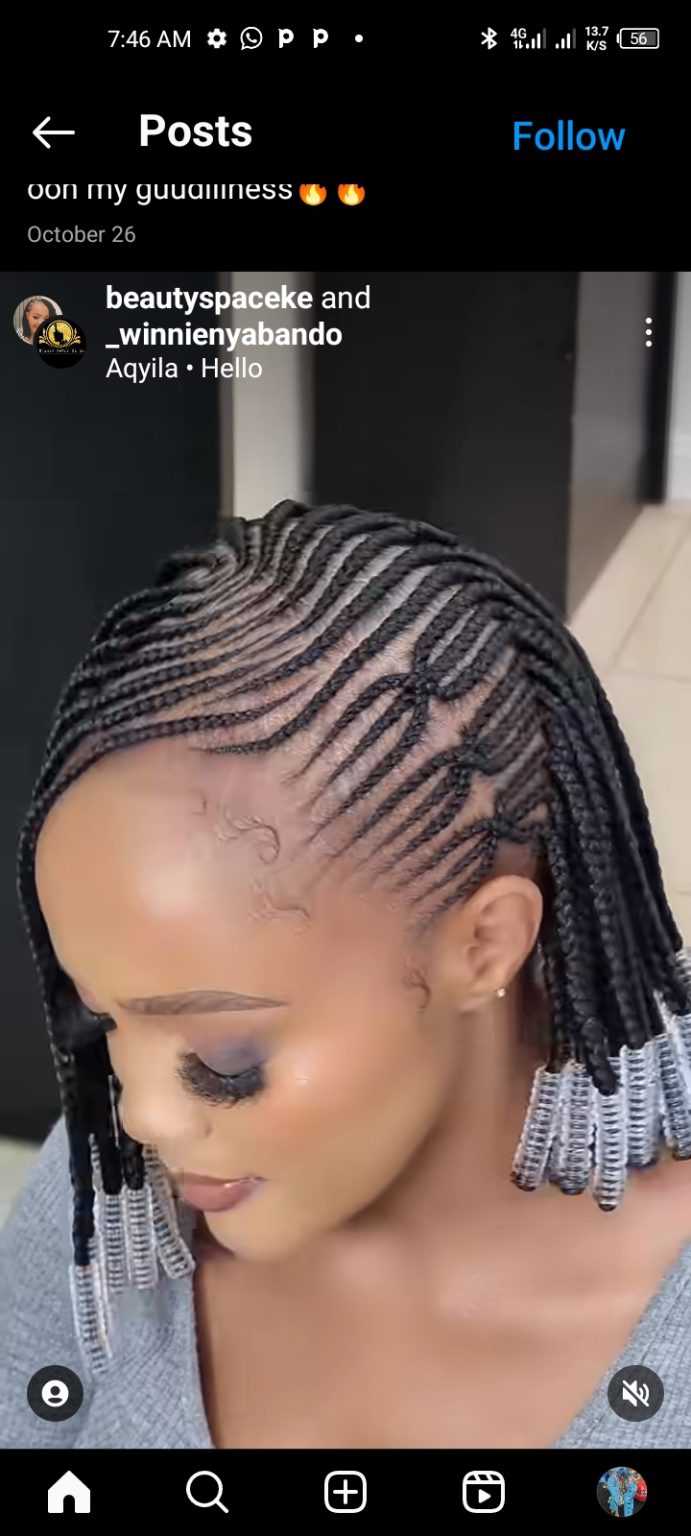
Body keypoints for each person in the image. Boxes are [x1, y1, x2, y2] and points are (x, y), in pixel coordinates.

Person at [2, 498, 691, 1451]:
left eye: (224, 1056)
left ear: (484, 946)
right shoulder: (111, 1184)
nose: (144, 1115)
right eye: (104, 1022)